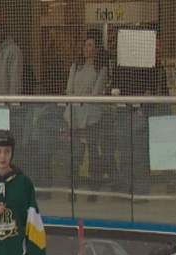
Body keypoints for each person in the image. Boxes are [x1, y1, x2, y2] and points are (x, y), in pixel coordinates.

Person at [65, 29, 108, 203]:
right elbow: (69, 90)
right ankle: (72, 188)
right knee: (75, 153)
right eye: (85, 45)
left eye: (90, 45)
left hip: (91, 117)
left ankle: (93, 188)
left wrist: (83, 100)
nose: (86, 48)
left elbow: (96, 93)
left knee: (92, 153)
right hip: (74, 116)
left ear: (96, 48)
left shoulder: (101, 69)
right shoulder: (75, 66)